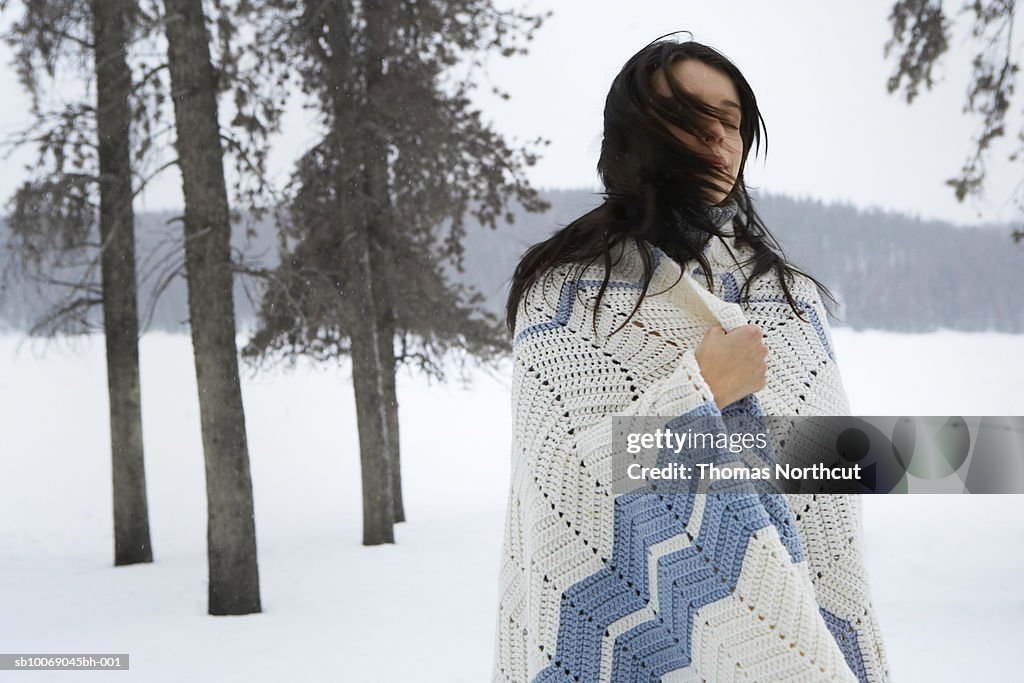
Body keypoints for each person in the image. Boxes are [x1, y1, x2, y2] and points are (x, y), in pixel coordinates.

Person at [492, 37, 890, 683]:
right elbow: (565, 489)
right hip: (632, 634)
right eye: (686, 115)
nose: (716, 135)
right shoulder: (567, 295)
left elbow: (820, 470)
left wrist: (965, 455)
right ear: (632, 135)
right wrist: (698, 393)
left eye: (731, 120)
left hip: (798, 613)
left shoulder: (786, 295)